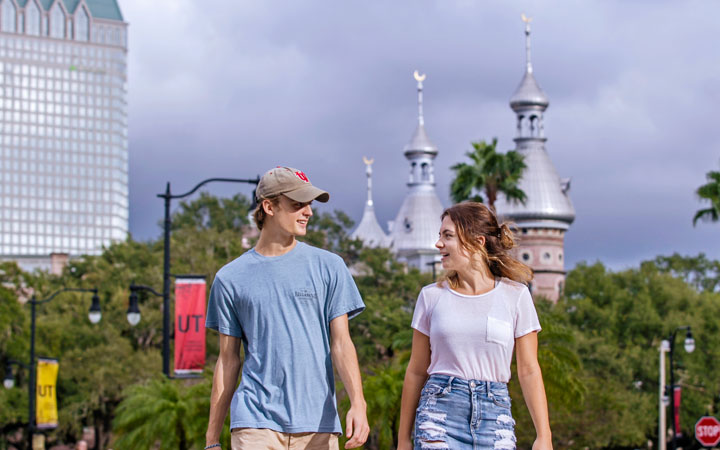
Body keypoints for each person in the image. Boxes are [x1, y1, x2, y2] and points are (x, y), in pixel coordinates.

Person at [205, 166, 370, 450]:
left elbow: (341, 343)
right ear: (269, 206)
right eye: (297, 204)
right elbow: (228, 360)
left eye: (309, 205)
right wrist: (211, 440)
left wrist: (359, 403)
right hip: (254, 422)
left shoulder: (329, 267)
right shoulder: (230, 278)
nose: (308, 212)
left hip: (319, 423)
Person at [397, 202, 553, 450]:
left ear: (478, 242)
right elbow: (416, 371)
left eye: (447, 236)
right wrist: (403, 439)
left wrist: (544, 436)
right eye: (439, 236)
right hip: (439, 413)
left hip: (495, 415)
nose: (438, 244)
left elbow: (529, 370)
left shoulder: (516, 295)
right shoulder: (431, 296)